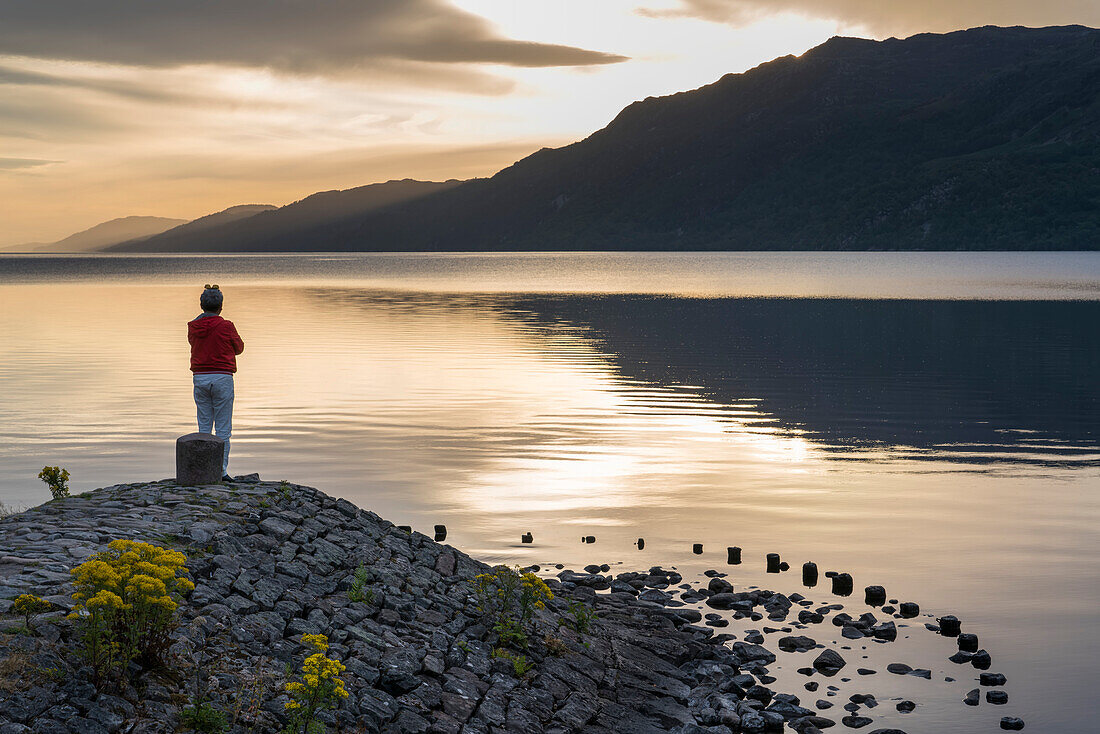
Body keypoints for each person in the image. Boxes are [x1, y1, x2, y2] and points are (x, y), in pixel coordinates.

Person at [188, 284, 244, 481]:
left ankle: (203, 470)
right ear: (221, 306)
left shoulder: (193, 326)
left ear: (202, 306)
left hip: (200, 377)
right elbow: (239, 348)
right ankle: (220, 471)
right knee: (223, 428)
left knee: (204, 425)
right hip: (222, 377)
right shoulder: (226, 326)